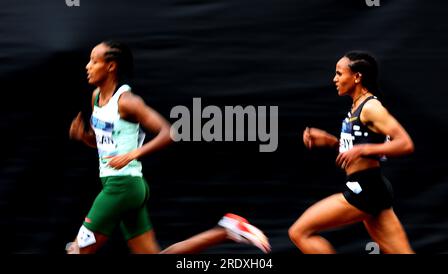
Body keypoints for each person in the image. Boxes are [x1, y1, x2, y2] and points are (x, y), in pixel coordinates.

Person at [66, 40, 271, 254]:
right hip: (124, 186)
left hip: (121, 187)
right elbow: (105, 145)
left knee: (76, 252)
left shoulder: (127, 101)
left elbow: (170, 132)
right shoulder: (96, 98)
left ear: (111, 66)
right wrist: (85, 138)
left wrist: (133, 154)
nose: (87, 66)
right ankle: (226, 230)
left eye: (94, 61)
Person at [288, 51, 415, 254]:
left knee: (299, 232)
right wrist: (331, 142)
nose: (334, 79)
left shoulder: (371, 107)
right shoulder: (357, 106)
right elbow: (360, 146)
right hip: (373, 189)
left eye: (339, 73)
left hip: (364, 190)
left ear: (357, 77)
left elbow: (405, 143)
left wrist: (363, 149)